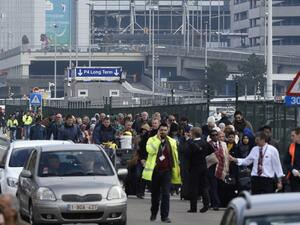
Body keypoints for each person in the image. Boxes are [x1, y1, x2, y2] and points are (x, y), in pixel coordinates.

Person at [142, 123, 181, 223]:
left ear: (167, 131)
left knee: (166, 194)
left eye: (165, 130)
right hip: (155, 172)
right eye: (161, 130)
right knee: (155, 195)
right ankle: (154, 213)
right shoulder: (151, 140)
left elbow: (175, 157)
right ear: (158, 131)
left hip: (166, 171)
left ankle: (165, 216)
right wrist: (158, 141)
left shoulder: (172, 141)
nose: (163, 132)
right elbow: (150, 151)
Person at [185, 127, 213, 213]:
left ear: (193, 133)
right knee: (204, 187)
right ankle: (206, 205)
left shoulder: (191, 143)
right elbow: (211, 151)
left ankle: (193, 207)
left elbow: (187, 154)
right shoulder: (205, 143)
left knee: (194, 188)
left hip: (194, 167)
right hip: (203, 166)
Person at [284, 127, 300, 192]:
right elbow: (286, 162)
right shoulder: (291, 146)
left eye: (293, 136)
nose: (291, 138)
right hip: (294, 178)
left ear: (299, 135)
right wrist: (292, 170)